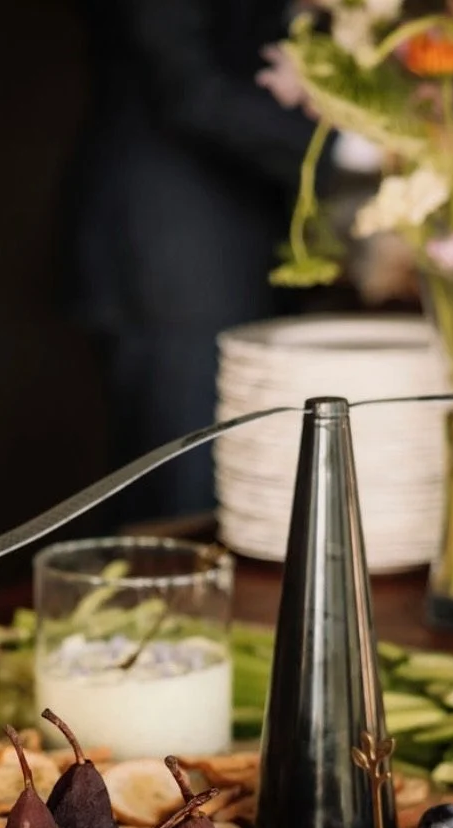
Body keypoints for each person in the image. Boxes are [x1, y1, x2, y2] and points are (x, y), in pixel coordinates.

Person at [67, 1, 317, 520]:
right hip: (178, 254)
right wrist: (351, 144)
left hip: (246, 242)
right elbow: (188, 85)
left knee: (232, 493)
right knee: (183, 499)